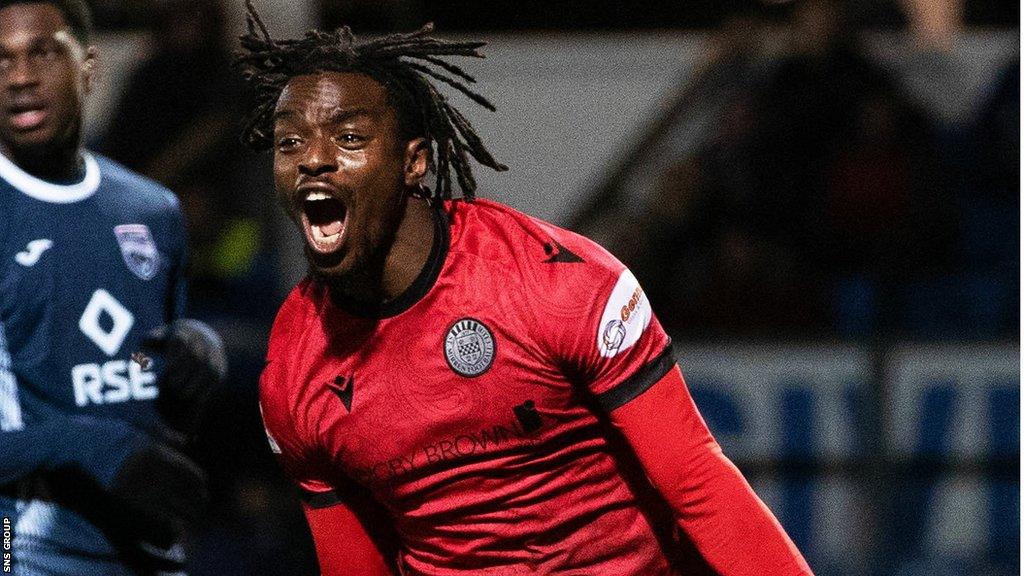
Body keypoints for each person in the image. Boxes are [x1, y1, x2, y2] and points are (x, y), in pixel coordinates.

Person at [239, 3, 813, 574]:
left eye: (347, 137)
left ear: (413, 162)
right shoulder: (294, 369)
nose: (313, 159)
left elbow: (696, 482)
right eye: (289, 144)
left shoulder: (554, 281)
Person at [0, 1, 225, 574]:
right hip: (24, 547)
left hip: (150, 546)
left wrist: (199, 349)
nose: (20, 78)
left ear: (89, 68)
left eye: (44, 53)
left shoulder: (152, 209)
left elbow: (160, 382)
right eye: (0, 61)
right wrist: (98, 450)